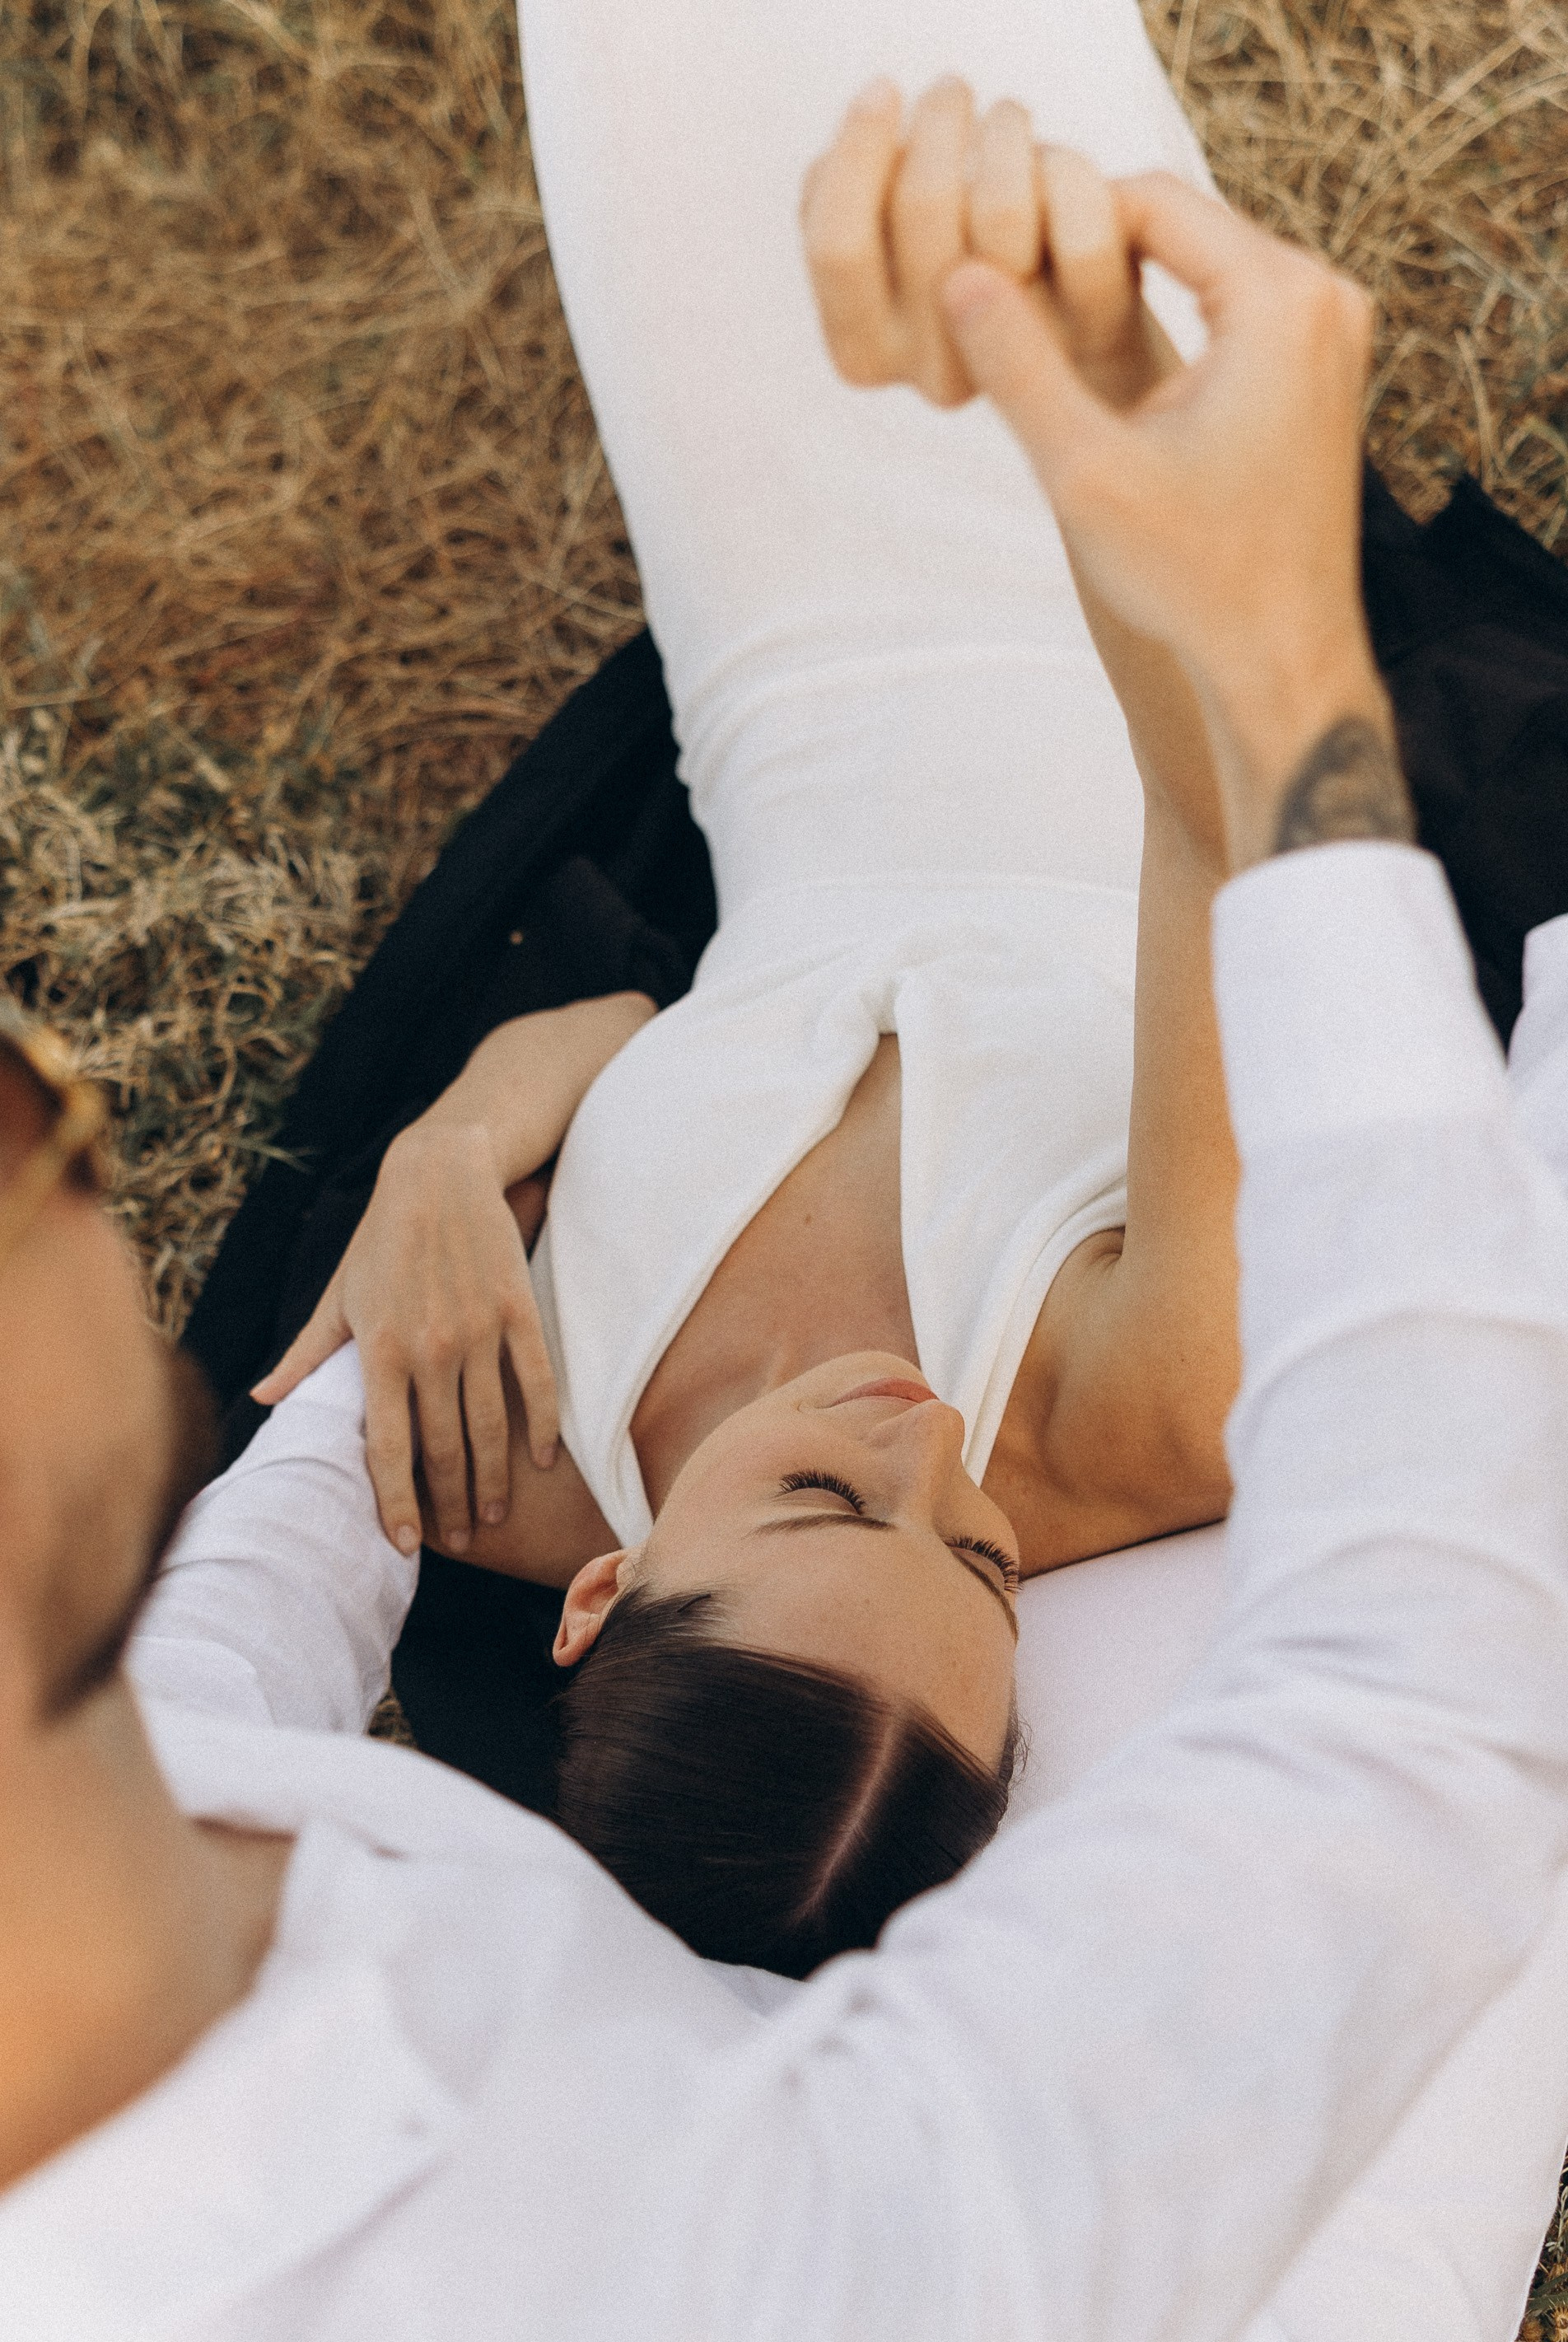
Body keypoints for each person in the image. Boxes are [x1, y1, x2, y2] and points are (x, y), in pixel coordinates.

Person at [0, 42, 1568, 2342]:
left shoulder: (189, 1755)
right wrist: (1270, 658)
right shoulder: (810, 2285)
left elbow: (299, 1501)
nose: (61, 1146)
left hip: (826, 708)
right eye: (16, 1129)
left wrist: (450, 1156)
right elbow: (1429, 1688)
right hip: (1104, 695)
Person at [250, 7, 1251, 1970]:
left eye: (820, 1501)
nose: (920, 1444)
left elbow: (616, 1033)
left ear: (598, 1596)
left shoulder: (497, 1454)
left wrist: (444, 1161)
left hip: (769, 661)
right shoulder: (1139, 1419)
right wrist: (1100, 437)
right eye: (981, 1566)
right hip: (1108, 597)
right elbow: (1220, 818)